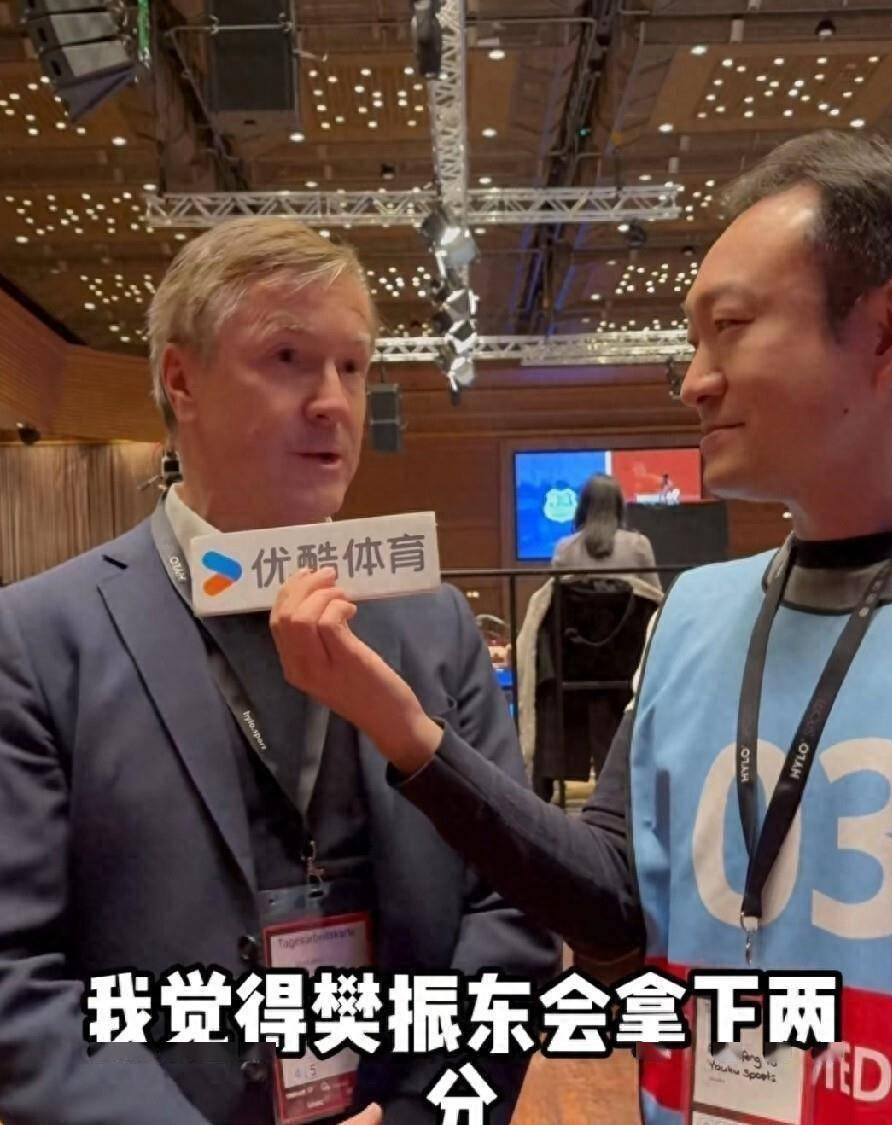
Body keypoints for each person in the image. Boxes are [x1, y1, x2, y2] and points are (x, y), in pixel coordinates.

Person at [270, 130, 892, 1124]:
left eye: (731, 326)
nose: (694, 380)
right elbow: (611, 907)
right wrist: (405, 729)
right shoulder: (693, 612)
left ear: (891, 328)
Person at [0, 218, 558, 1125]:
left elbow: (511, 912)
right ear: (182, 380)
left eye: (353, 365)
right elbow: (17, 975)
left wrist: (426, 1116)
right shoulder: (39, 638)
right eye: (289, 358)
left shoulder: (434, 624)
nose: (334, 401)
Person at [550, 472, 661, 589]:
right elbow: (655, 596)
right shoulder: (639, 545)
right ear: (619, 506)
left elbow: (554, 596)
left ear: (583, 506)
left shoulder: (564, 549)